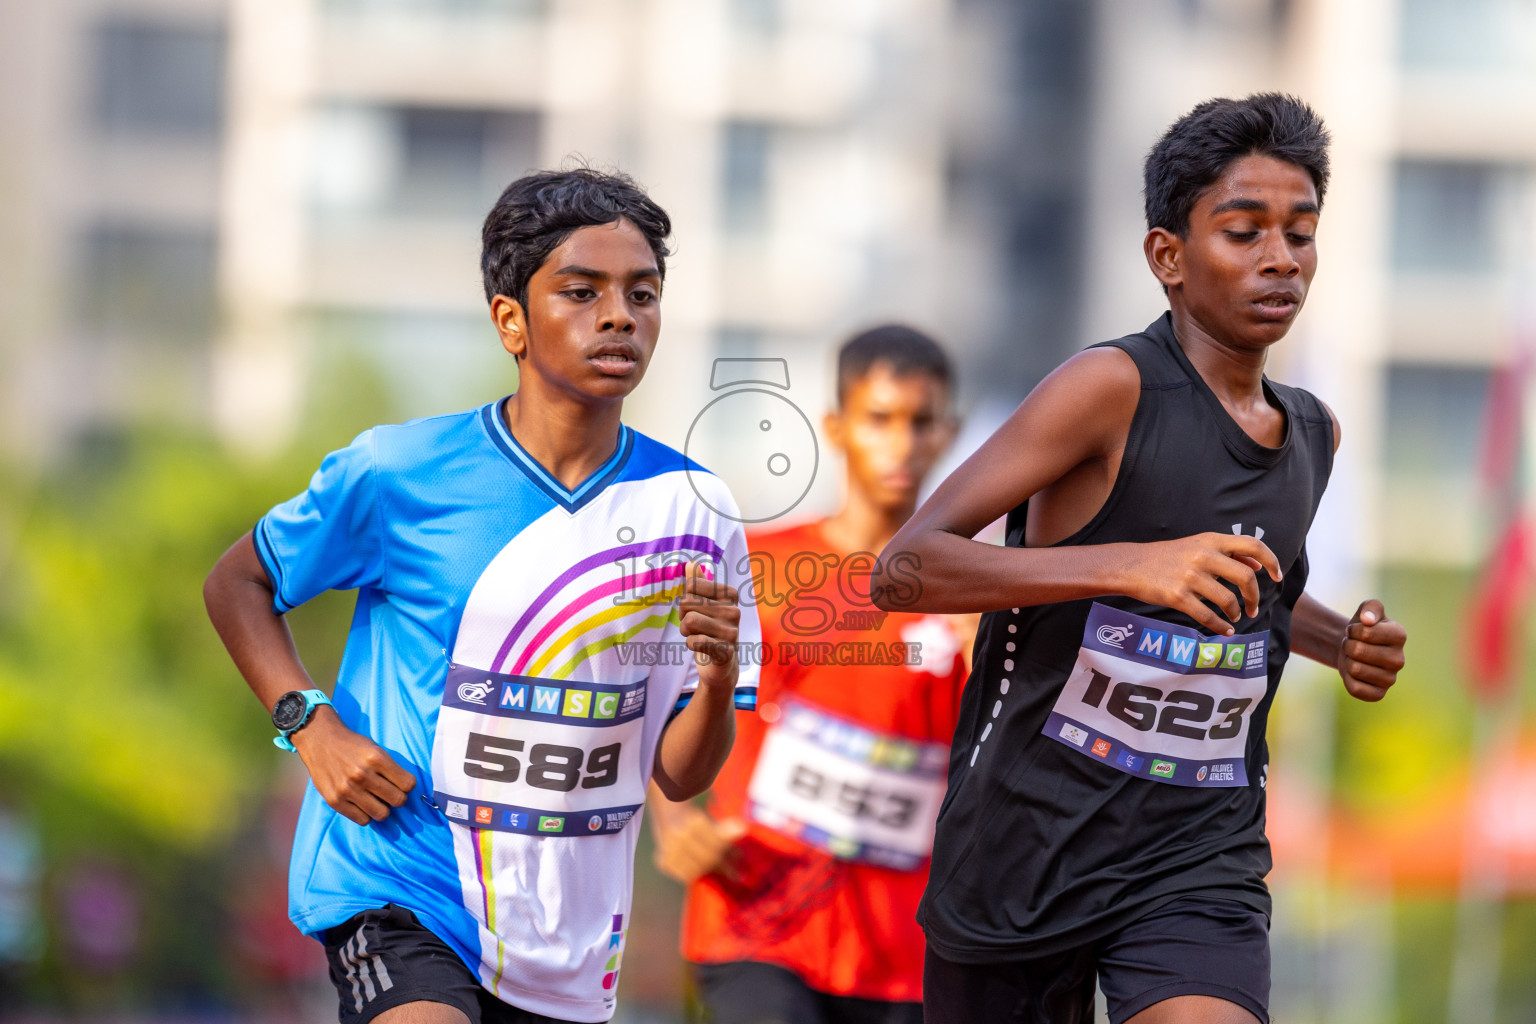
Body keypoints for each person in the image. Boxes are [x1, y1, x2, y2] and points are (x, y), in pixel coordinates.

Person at [873, 94, 1409, 1024]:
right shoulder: (1108, 389)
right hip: (1025, 852)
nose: (1281, 258)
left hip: (1199, 858)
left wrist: (1337, 640)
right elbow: (908, 568)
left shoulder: (1313, 432)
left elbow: (1260, 595)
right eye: (1244, 232)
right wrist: (1128, 565)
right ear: (1168, 256)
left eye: (1301, 232)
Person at [203, 168, 761, 1024]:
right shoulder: (400, 472)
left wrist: (718, 678)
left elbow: (681, 776)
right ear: (512, 321)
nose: (619, 316)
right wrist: (309, 725)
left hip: (563, 936)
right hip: (399, 878)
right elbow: (237, 581)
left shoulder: (697, 508)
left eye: (642, 294)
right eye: (582, 292)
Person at [647, 325, 968, 1024]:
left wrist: (989, 646)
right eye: (879, 419)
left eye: (921, 422)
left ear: (951, 433)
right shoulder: (761, 568)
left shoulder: (975, 596)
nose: (901, 444)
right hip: (754, 925)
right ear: (836, 425)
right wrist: (675, 822)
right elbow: (659, 701)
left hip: (904, 959)